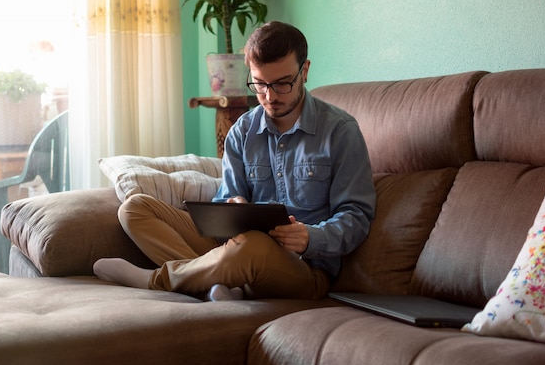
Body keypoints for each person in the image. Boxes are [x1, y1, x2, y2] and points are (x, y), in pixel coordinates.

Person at [94, 21, 376, 301]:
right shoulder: (242, 130)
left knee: (252, 246)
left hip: (305, 268)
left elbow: (357, 216)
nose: (270, 96)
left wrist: (311, 237)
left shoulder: (340, 131)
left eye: (282, 84)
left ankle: (157, 279)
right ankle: (216, 285)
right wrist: (233, 205)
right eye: (260, 84)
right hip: (237, 246)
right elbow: (227, 198)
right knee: (135, 208)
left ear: (305, 71)